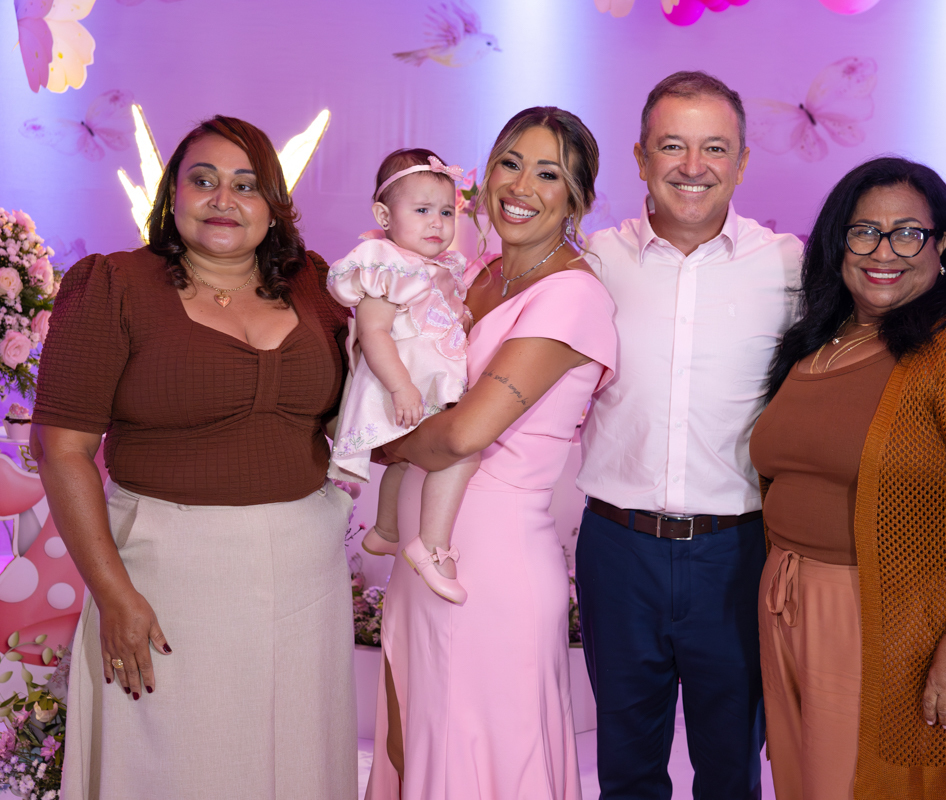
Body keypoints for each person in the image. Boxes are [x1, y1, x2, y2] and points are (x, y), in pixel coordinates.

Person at [30, 116, 357, 800]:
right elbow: (61, 449)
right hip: (166, 574)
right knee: (178, 766)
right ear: (171, 193)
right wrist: (114, 593)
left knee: (297, 756)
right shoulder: (115, 285)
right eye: (203, 180)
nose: (222, 199)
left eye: (246, 185)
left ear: (274, 204)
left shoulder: (314, 284)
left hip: (307, 573)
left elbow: (352, 414)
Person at [750, 156, 946, 799]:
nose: (884, 252)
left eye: (908, 233)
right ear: (839, 244)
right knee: (803, 784)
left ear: (942, 246)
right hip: (786, 604)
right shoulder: (817, 339)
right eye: (864, 232)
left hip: (879, 613)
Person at [364, 106, 616, 800]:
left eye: (549, 174)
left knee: (476, 755)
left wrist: (375, 443)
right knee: (412, 740)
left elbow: (464, 434)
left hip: (490, 567)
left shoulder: (573, 296)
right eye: (510, 162)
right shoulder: (474, 271)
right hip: (425, 554)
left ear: (577, 199)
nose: (521, 186)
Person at [575, 71, 802, 799]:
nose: (693, 166)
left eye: (715, 147)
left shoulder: (790, 267)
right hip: (618, 551)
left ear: (742, 162)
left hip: (737, 554)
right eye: (672, 146)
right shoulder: (592, 261)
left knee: (732, 769)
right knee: (625, 768)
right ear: (641, 157)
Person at [327, 147, 479, 605]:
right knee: (461, 453)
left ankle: (387, 530)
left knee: (405, 461)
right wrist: (401, 386)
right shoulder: (384, 265)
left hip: (425, 378)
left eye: (446, 212)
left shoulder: (441, 268)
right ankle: (431, 546)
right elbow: (373, 333)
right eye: (422, 210)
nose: (437, 223)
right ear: (384, 216)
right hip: (402, 381)